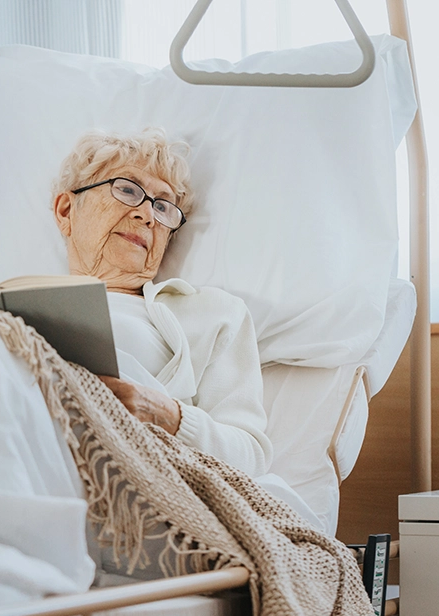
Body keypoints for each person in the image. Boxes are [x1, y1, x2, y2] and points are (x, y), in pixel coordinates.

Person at [52, 129, 273, 478]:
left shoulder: (212, 314)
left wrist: (170, 417)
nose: (147, 216)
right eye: (126, 189)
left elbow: (250, 457)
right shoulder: (14, 305)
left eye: (163, 207)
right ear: (66, 210)